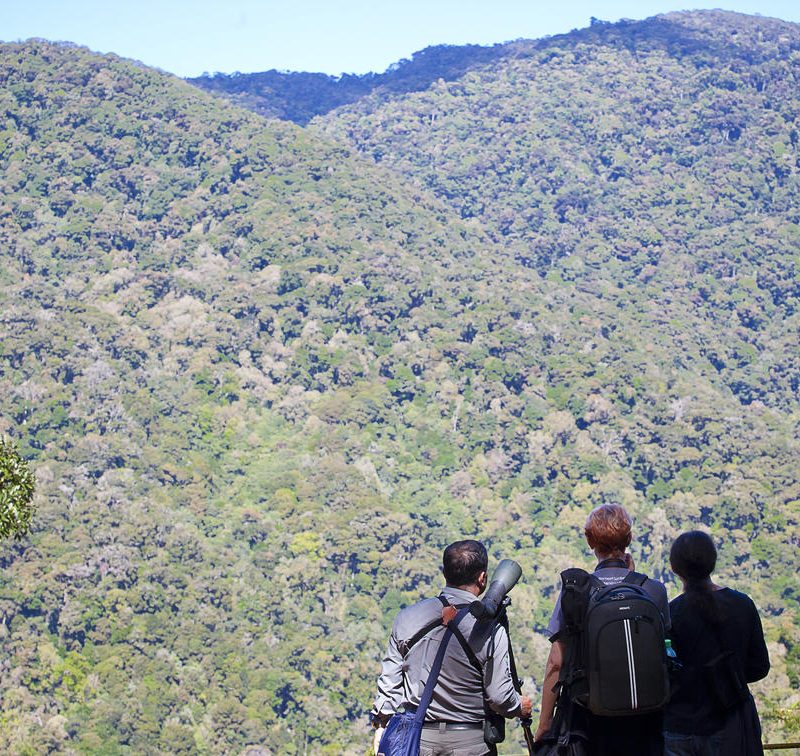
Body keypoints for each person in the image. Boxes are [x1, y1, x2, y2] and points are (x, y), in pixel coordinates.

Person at [371, 539, 532, 756]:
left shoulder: (407, 617)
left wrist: (381, 725)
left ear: (444, 572)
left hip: (417, 742)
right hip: (471, 744)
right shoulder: (490, 629)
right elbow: (499, 697)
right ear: (483, 578)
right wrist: (519, 706)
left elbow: (390, 684)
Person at [534, 503, 670, 755]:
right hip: (647, 720)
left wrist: (545, 723)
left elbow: (556, 662)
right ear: (628, 539)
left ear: (590, 541)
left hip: (589, 722)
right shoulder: (654, 590)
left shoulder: (576, 592)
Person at [664, 530, 770, 756]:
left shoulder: (672, 613)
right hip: (729, 724)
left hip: (679, 727)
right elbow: (760, 666)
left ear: (674, 568)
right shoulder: (743, 605)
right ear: (712, 562)